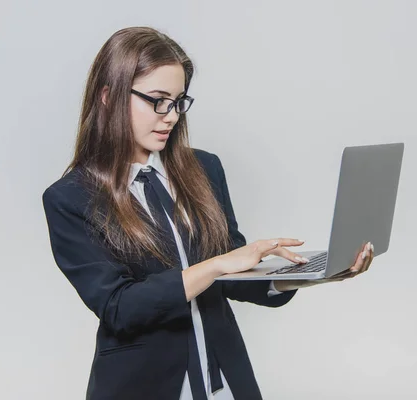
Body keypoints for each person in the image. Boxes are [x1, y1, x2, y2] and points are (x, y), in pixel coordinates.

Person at [41, 26, 374, 400]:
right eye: (157, 100)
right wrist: (215, 266)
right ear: (108, 96)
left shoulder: (205, 169)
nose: (170, 116)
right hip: (142, 386)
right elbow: (120, 307)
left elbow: (233, 279)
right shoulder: (70, 199)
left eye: (179, 101)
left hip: (225, 379)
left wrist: (310, 275)